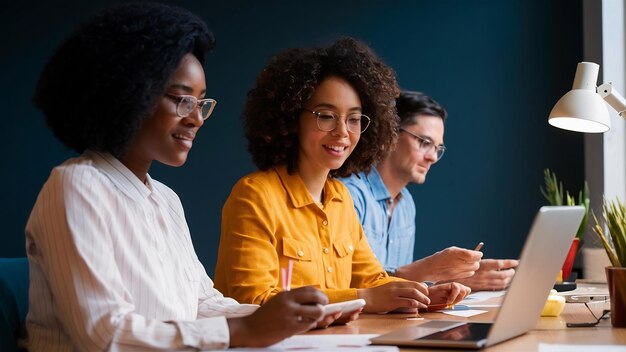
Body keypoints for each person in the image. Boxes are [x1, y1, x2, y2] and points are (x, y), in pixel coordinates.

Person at [22, 4, 331, 351]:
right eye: (181, 99)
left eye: (201, 103)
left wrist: (288, 317)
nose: (196, 118)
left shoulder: (165, 199)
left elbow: (201, 304)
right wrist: (244, 331)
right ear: (129, 93)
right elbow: (103, 335)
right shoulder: (77, 185)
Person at [214, 38, 470, 317]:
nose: (342, 132)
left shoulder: (340, 198)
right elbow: (252, 301)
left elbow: (373, 280)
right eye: (326, 116)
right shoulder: (255, 195)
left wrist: (419, 295)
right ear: (290, 117)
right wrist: (363, 298)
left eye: (354, 119)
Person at [340, 91, 519, 291]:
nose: (432, 157)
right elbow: (346, 283)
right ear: (388, 134)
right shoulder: (348, 194)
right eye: (424, 143)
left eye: (438, 148)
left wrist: (456, 279)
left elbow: (399, 286)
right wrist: (431, 271)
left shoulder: (406, 204)